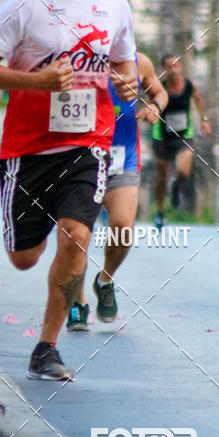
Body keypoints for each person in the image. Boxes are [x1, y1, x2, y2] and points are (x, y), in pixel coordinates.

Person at [0, 0, 139, 381]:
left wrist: (125, 85)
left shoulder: (113, 4)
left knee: (78, 235)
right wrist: (37, 82)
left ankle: (46, 348)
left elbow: (125, 65)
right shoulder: (23, 5)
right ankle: (38, 241)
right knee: (24, 259)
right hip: (27, 150)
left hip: (89, 143)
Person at [67, 52, 168, 330]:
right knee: (77, 236)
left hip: (122, 159)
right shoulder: (73, 59)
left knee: (123, 228)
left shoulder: (140, 63)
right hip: (80, 158)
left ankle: (105, 279)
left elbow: (159, 92)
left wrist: (155, 106)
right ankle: (77, 301)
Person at [152, 53, 212, 229]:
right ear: (164, 69)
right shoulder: (160, 87)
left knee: (184, 171)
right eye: (169, 66)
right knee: (160, 178)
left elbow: (199, 100)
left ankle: (176, 186)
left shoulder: (188, 86)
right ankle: (160, 211)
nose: (174, 69)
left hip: (184, 136)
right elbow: (150, 104)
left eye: (176, 65)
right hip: (162, 137)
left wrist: (204, 120)